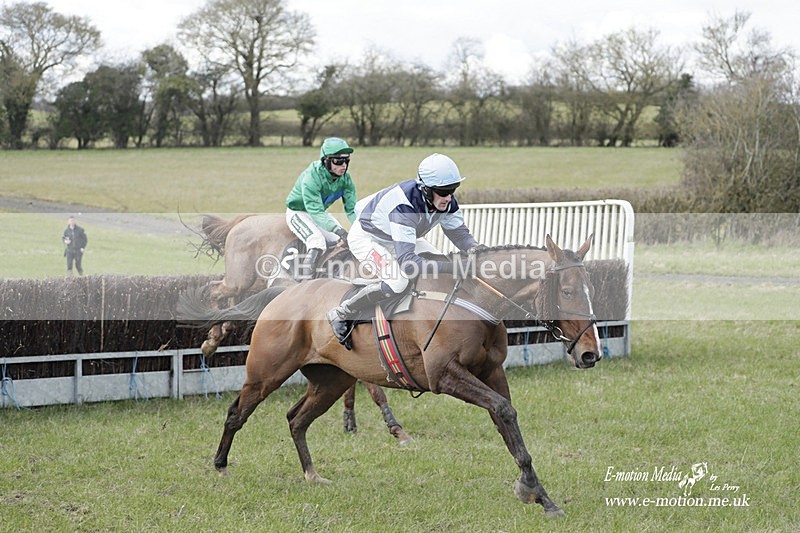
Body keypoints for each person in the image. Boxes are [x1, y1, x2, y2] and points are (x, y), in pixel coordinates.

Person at [326, 153, 485, 343]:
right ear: (425, 189)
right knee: (398, 281)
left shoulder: (447, 201)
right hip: (367, 237)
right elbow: (409, 264)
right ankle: (343, 311)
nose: (448, 197)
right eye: (443, 192)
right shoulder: (405, 207)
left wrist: (476, 249)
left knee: (440, 264)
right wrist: (456, 266)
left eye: (453, 190)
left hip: (399, 237)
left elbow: (460, 235)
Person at [285, 137, 357, 279]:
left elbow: (352, 210)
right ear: (326, 161)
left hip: (319, 213)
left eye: (346, 161)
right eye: (338, 161)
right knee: (317, 241)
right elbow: (316, 211)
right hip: (298, 212)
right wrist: (339, 229)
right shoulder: (311, 178)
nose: (343, 165)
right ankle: (305, 282)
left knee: (342, 240)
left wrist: (362, 227)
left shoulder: (346, 180)